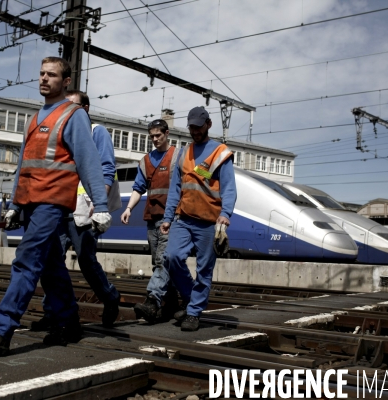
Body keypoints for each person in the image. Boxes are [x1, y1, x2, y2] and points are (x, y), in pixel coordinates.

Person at [0, 57, 111, 355]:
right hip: (30, 201)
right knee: (51, 266)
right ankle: (69, 322)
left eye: (51, 75)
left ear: (65, 81)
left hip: (53, 201)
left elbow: (89, 161)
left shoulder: (74, 115)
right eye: (42, 73)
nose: (44, 78)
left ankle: (2, 330)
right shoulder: (34, 118)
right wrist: (15, 204)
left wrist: (102, 204)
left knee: (27, 260)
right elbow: (23, 166)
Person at [32, 90, 121, 331]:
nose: (67, 111)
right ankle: (52, 312)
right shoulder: (63, 134)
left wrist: (98, 202)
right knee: (52, 260)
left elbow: (106, 166)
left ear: (85, 109)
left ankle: (111, 297)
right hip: (61, 207)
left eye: (72, 106)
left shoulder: (96, 132)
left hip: (85, 209)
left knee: (86, 260)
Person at [161, 106, 236, 332]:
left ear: (208, 125)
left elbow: (229, 188)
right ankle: (190, 295)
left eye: (198, 127)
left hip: (208, 221)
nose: (194, 131)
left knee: (204, 270)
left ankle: (193, 313)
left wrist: (225, 214)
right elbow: (175, 188)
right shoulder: (184, 153)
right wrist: (167, 217)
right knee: (171, 257)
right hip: (183, 218)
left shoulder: (220, 153)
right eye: (191, 127)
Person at [120, 119, 180, 322]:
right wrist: (128, 208)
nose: (154, 139)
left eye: (158, 135)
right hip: (151, 218)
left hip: (170, 218)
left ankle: (152, 300)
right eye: (152, 136)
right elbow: (138, 188)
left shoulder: (177, 157)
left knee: (163, 261)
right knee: (159, 264)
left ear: (167, 133)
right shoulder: (145, 161)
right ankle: (172, 305)